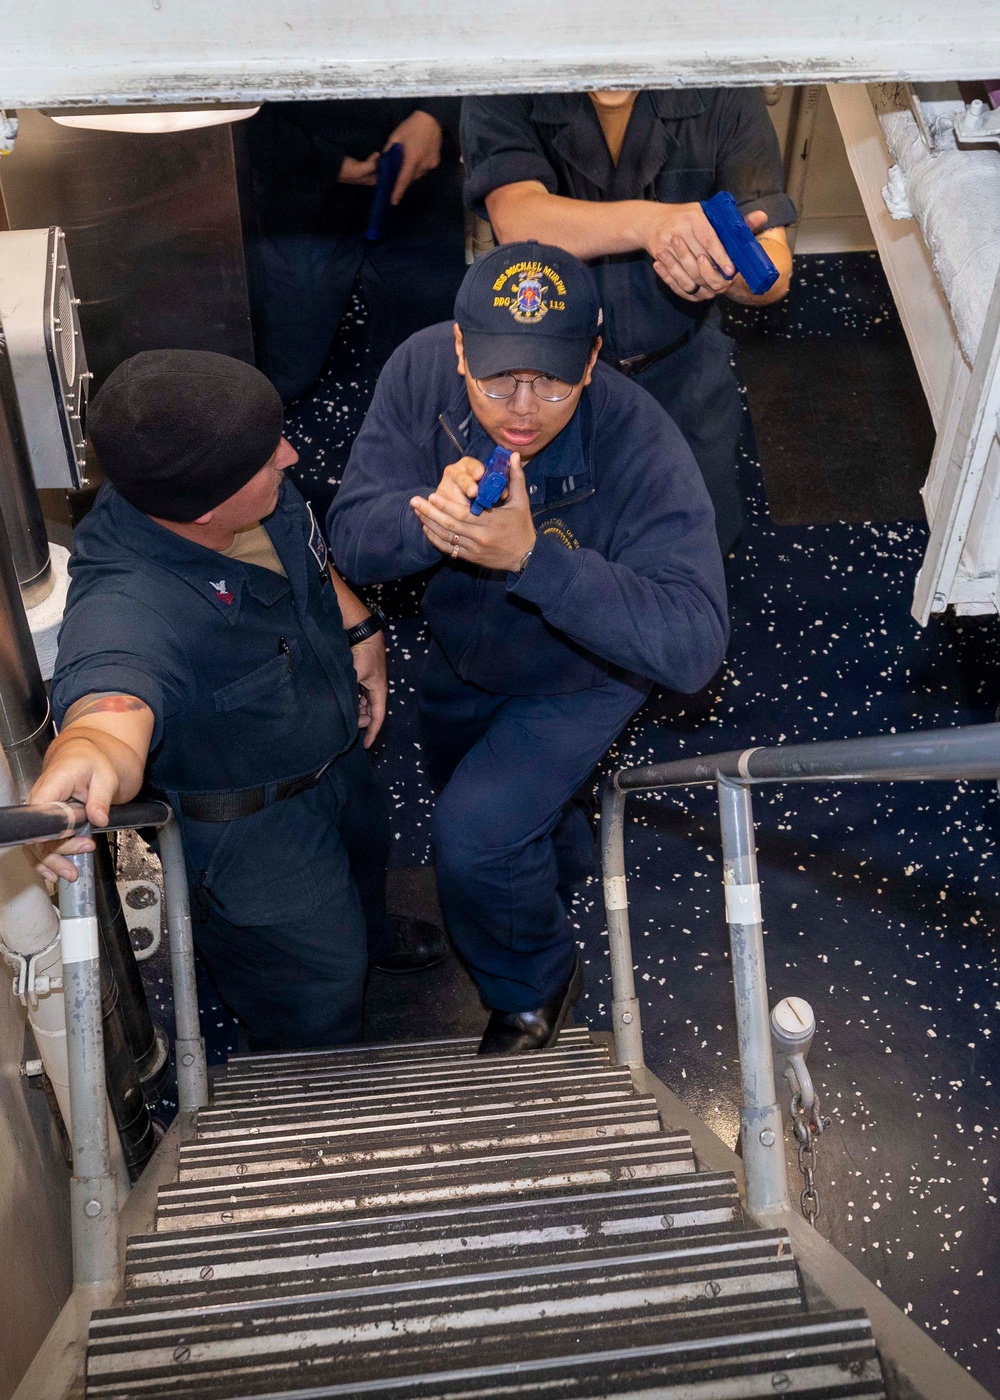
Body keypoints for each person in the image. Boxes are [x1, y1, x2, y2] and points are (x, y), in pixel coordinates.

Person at [328, 241, 729, 1055]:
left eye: (550, 380)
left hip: (583, 676)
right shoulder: (416, 373)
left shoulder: (641, 444)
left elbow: (692, 644)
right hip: (461, 657)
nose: (521, 406)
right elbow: (352, 537)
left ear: (591, 356)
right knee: (467, 784)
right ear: (460, 349)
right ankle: (559, 849)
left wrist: (530, 560)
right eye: (496, 379)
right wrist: (421, 524)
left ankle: (533, 984)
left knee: (474, 834)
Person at [28, 349, 443, 1053]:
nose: (288, 453)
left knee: (367, 871)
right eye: (265, 455)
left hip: (339, 766)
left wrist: (360, 625)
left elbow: (307, 556)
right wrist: (87, 752)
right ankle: (311, 1082)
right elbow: (110, 696)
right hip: (259, 837)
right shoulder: (132, 602)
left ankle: (372, 934)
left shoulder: (241, 491)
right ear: (204, 508)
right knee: (315, 982)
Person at [459, 89, 796, 554]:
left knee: (700, 541)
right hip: (554, 381)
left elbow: (772, 271)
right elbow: (516, 215)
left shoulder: (723, 86)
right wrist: (651, 224)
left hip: (684, 368)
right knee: (550, 549)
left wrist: (726, 271)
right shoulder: (511, 72)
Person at [245, 98, 468, 404]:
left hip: (418, 168)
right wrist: (315, 161)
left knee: (426, 369)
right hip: (295, 180)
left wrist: (437, 113)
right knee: (287, 369)